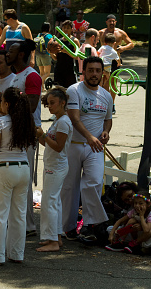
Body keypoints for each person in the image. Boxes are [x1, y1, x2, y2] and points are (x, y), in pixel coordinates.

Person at [0, 87, 36, 266]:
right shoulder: (27, 122)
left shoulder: (1, 122)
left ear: (7, 104)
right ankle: (17, 253)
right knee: (18, 214)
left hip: (5, 168)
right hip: (23, 168)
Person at [61, 56, 113, 242]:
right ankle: (67, 228)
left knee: (93, 182)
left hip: (95, 148)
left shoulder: (106, 96)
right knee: (69, 187)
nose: (94, 74)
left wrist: (105, 132)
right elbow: (75, 118)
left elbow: (108, 119)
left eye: (97, 71)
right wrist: (89, 137)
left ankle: (90, 226)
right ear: (84, 72)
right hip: (73, 146)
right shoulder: (74, 90)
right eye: (90, 70)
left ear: (102, 73)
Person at [6, 39, 42, 236]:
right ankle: (16, 221)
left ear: (21, 54)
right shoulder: (14, 76)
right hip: (14, 134)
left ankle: (28, 225)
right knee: (13, 180)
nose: (7, 53)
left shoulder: (32, 76)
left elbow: (32, 105)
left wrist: (8, 104)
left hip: (26, 136)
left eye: (11, 51)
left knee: (24, 182)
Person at [35, 87, 73, 252]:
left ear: (62, 103)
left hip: (56, 166)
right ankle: (56, 236)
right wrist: (41, 137)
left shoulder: (64, 122)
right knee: (54, 202)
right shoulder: (58, 121)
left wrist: (43, 135)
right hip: (53, 165)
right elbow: (49, 143)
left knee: (49, 202)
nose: (49, 106)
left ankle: (53, 241)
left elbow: (58, 147)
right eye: (48, 103)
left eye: (52, 103)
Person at [99, 14, 134, 114]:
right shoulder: (101, 33)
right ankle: (104, 104)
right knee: (104, 82)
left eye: (113, 21)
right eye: (110, 21)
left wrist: (123, 48)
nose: (112, 23)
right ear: (106, 22)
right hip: (104, 61)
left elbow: (131, 44)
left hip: (116, 60)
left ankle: (112, 104)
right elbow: (92, 39)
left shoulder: (120, 33)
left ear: (115, 22)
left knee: (113, 83)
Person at [51, 20, 80, 89]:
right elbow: (56, 58)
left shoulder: (74, 40)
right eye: (64, 28)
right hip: (59, 69)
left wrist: (66, 51)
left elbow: (77, 57)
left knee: (70, 90)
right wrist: (51, 52)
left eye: (68, 28)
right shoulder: (58, 41)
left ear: (71, 29)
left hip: (70, 70)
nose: (66, 30)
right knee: (59, 91)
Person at [98, 33, 120, 98]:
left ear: (105, 42)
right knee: (108, 76)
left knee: (102, 75)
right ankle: (105, 81)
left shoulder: (102, 47)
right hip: (108, 65)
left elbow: (97, 53)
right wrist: (119, 63)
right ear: (114, 43)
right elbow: (117, 59)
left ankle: (101, 83)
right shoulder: (113, 51)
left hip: (101, 63)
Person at [35, 22, 54, 91]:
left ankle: (42, 88)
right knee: (47, 73)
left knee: (41, 72)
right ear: (48, 28)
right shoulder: (49, 36)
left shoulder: (39, 35)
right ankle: (39, 82)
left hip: (38, 55)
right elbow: (52, 43)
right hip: (46, 55)